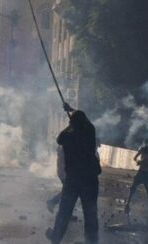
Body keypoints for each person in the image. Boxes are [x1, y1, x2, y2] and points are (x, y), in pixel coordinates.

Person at [47, 105, 100, 244]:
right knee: (90, 214)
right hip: (90, 179)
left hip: (73, 179)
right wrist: (72, 112)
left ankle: (55, 238)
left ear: (72, 124)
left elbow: (59, 138)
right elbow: (87, 122)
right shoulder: (90, 132)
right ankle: (92, 241)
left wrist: (71, 124)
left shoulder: (67, 136)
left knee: (64, 213)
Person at [124, 138, 148, 213]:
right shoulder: (145, 149)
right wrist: (139, 161)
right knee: (133, 188)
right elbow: (135, 158)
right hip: (143, 173)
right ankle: (127, 204)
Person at [46, 144, 65, 212]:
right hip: (65, 173)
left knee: (68, 192)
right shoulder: (66, 146)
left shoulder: (64, 145)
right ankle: (52, 202)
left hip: (63, 172)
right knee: (68, 192)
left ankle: (66, 213)